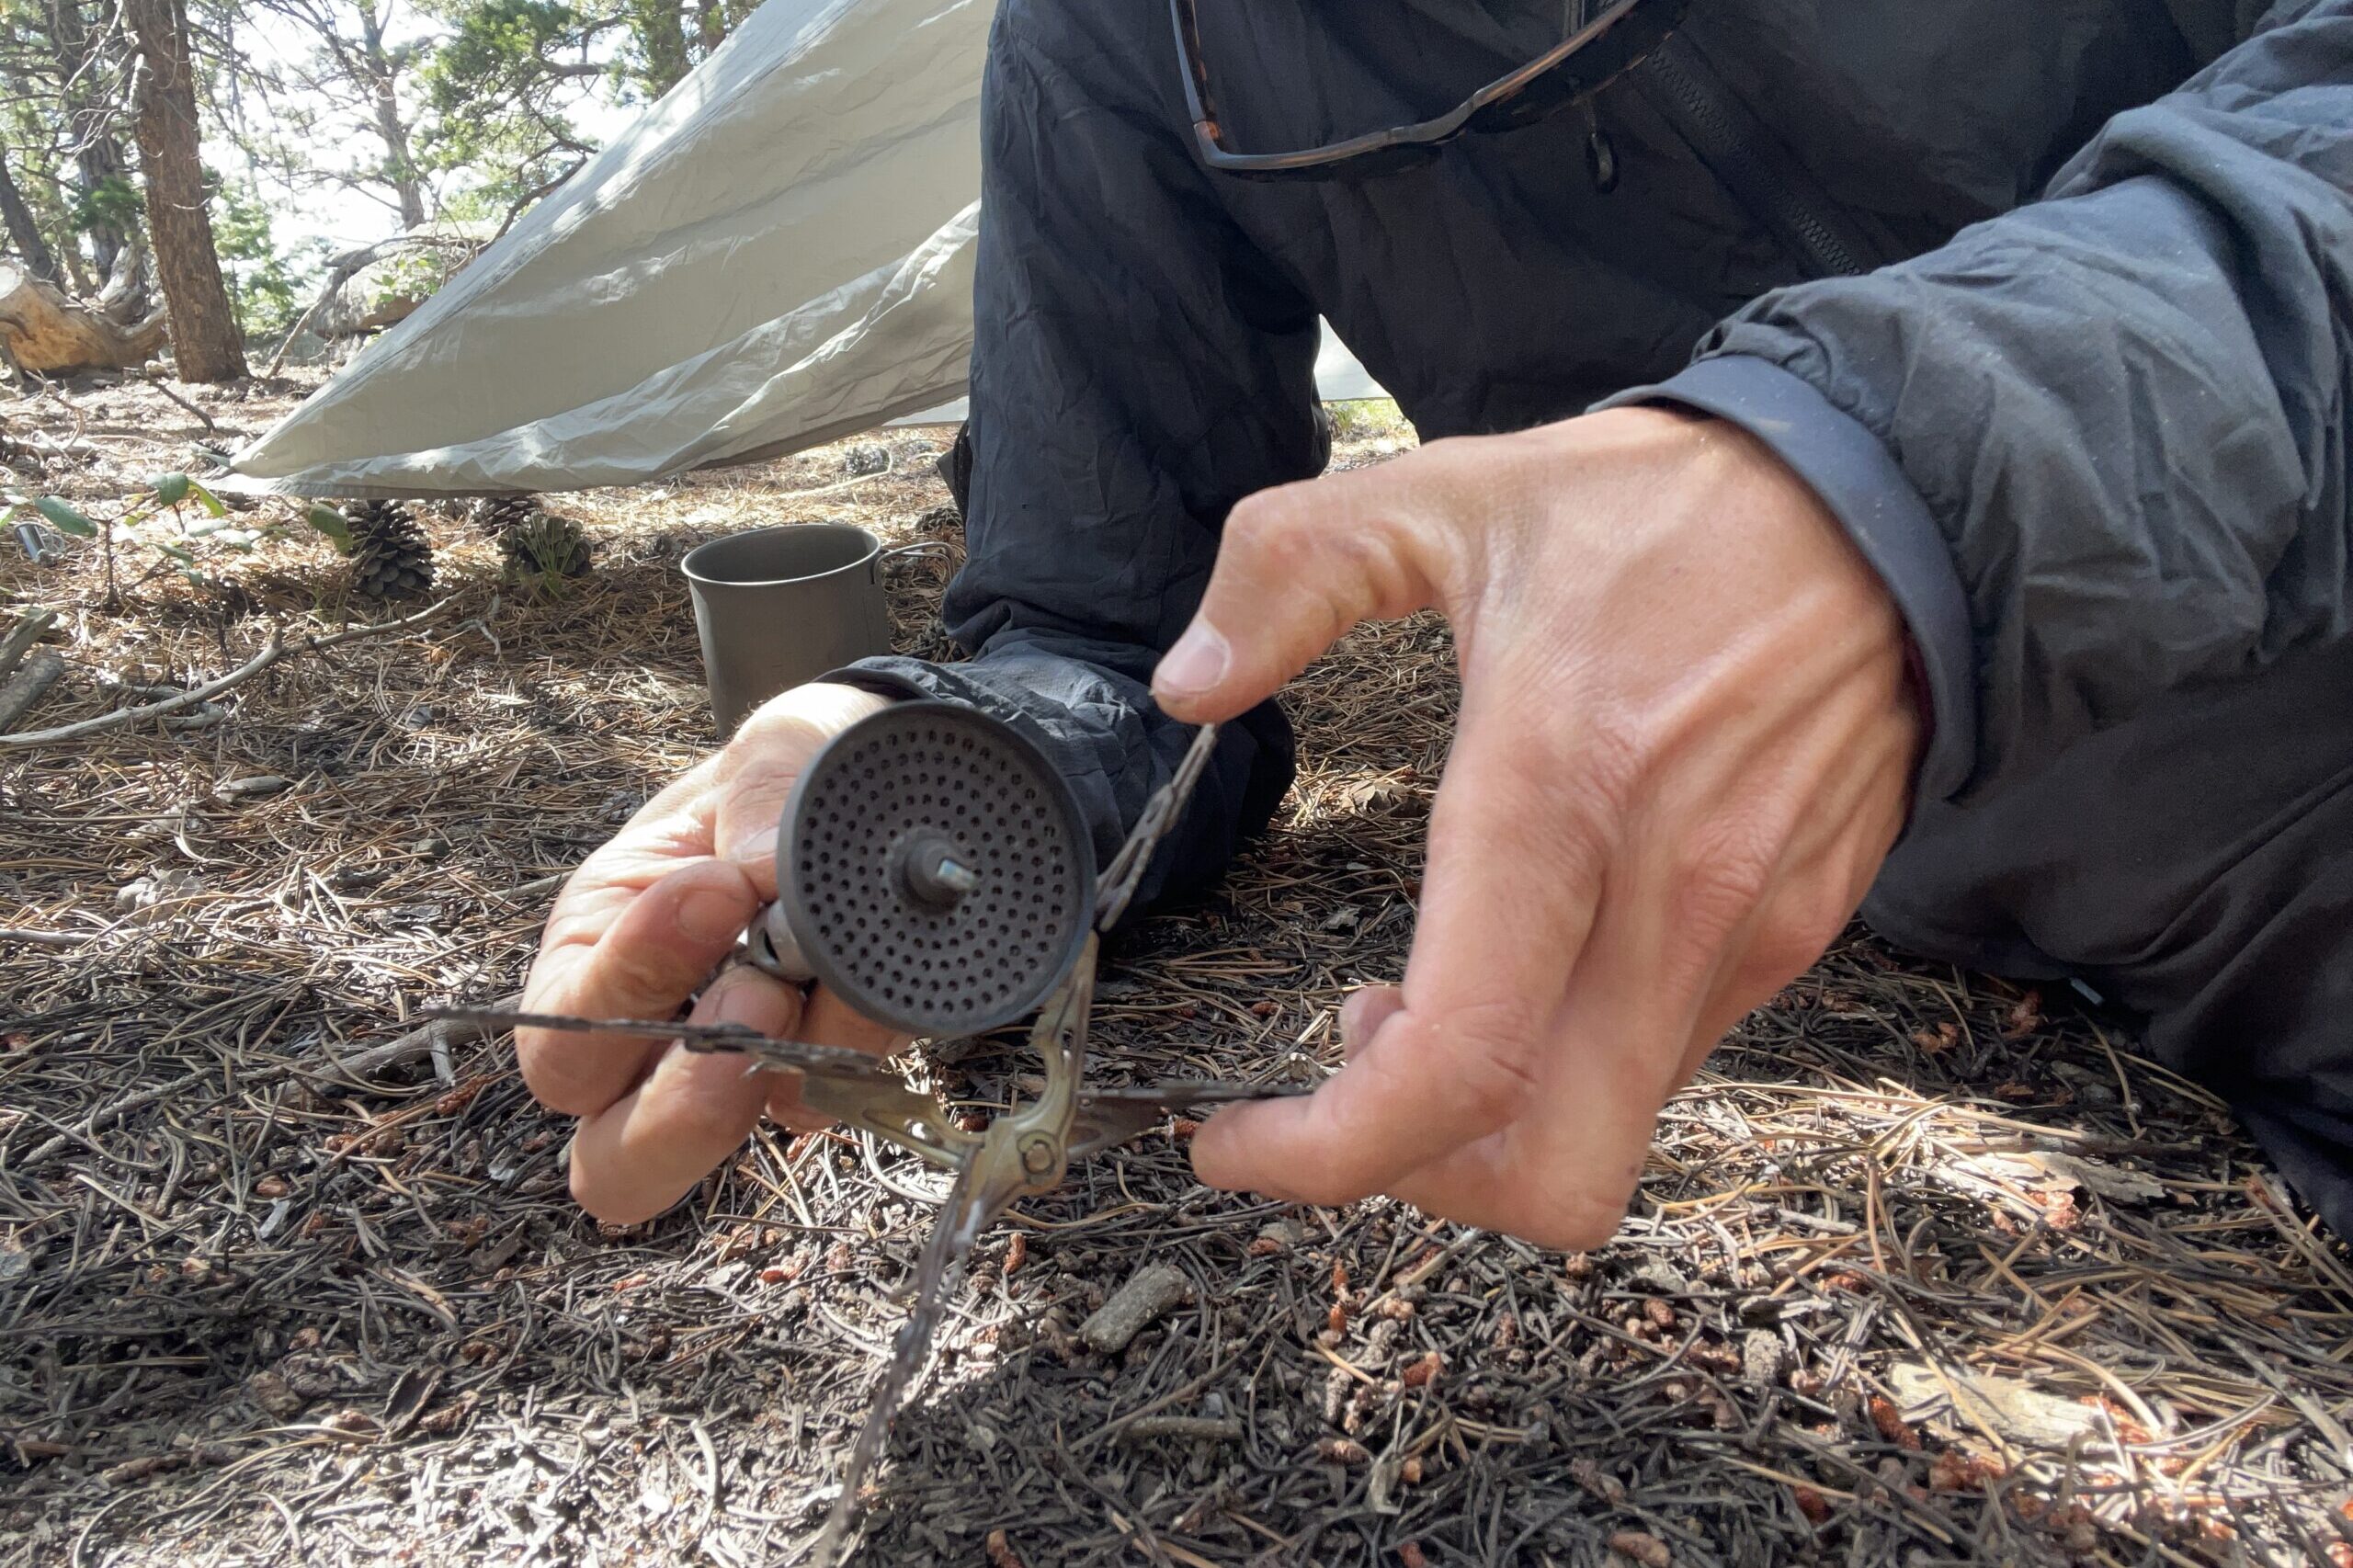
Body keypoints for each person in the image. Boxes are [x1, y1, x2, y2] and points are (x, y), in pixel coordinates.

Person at [516, 0, 2353, 1245]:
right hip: (2030, 934)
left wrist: (1881, 469)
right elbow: (1117, 626)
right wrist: (964, 764)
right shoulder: (1120, 41)